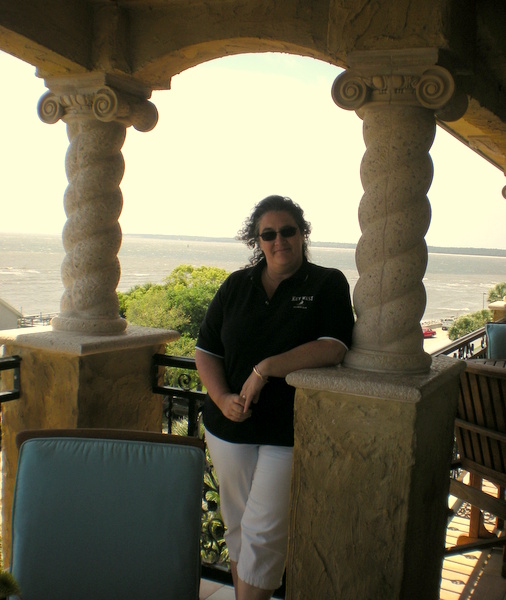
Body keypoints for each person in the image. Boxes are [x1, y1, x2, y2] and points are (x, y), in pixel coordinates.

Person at [195, 195, 354, 600]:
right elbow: (207, 350)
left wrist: (265, 368)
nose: (279, 240)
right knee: (236, 524)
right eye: (269, 234)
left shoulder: (326, 282)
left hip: (290, 428)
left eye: (288, 231)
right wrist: (221, 398)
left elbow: (333, 346)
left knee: (264, 530)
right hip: (229, 426)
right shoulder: (236, 285)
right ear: (257, 241)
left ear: (303, 235)